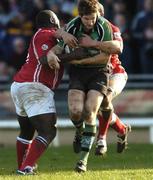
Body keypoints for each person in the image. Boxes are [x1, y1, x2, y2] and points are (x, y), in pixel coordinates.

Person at [46, 0, 113, 172]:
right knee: (75, 112)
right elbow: (57, 45)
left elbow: (105, 58)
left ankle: (82, 161)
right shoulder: (73, 26)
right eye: (86, 19)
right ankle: (80, 130)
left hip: (99, 72)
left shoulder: (104, 26)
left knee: (90, 110)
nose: (90, 22)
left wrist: (79, 58)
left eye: (93, 18)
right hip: (77, 72)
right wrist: (51, 54)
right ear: (80, 16)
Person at [10, 10, 78, 175]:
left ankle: (22, 167)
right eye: (57, 21)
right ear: (52, 20)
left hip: (21, 85)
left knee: (26, 131)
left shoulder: (44, 35)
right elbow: (44, 60)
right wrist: (75, 55)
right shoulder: (45, 34)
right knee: (48, 131)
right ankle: (26, 168)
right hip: (34, 86)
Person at [77, 3, 131, 155]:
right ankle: (121, 129)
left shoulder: (111, 28)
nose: (92, 22)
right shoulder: (81, 30)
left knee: (104, 97)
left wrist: (94, 43)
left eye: (95, 17)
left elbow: (118, 47)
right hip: (97, 73)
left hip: (115, 72)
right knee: (96, 107)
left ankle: (101, 139)